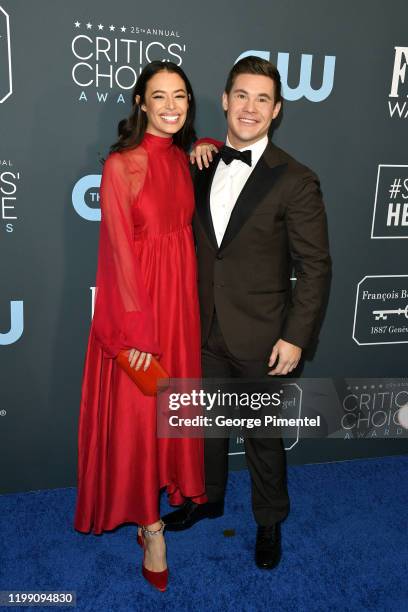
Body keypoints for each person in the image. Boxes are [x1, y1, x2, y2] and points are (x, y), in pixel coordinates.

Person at [163, 56, 332, 570]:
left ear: (277, 110)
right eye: (242, 95)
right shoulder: (200, 162)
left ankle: (269, 521)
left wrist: (296, 336)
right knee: (207, 428)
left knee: (261, 436)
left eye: (263, 99)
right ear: (224, 100)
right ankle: (208, 499)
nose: (250, 107)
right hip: (203, 325)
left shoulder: (296, 178)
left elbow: (316, 265)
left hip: (262, 336)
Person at [74, 61, 207, 592]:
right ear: (140, 103)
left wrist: (208, 143)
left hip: (180, 308)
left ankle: (161, 502)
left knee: (168, 414)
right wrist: (137, 338)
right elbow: (118, 257)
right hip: (139, 315)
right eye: (160, 96)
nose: (171, 106)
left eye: (180, 96)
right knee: (139, 417)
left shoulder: (182, 158)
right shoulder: (121, 165)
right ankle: (151, 531)